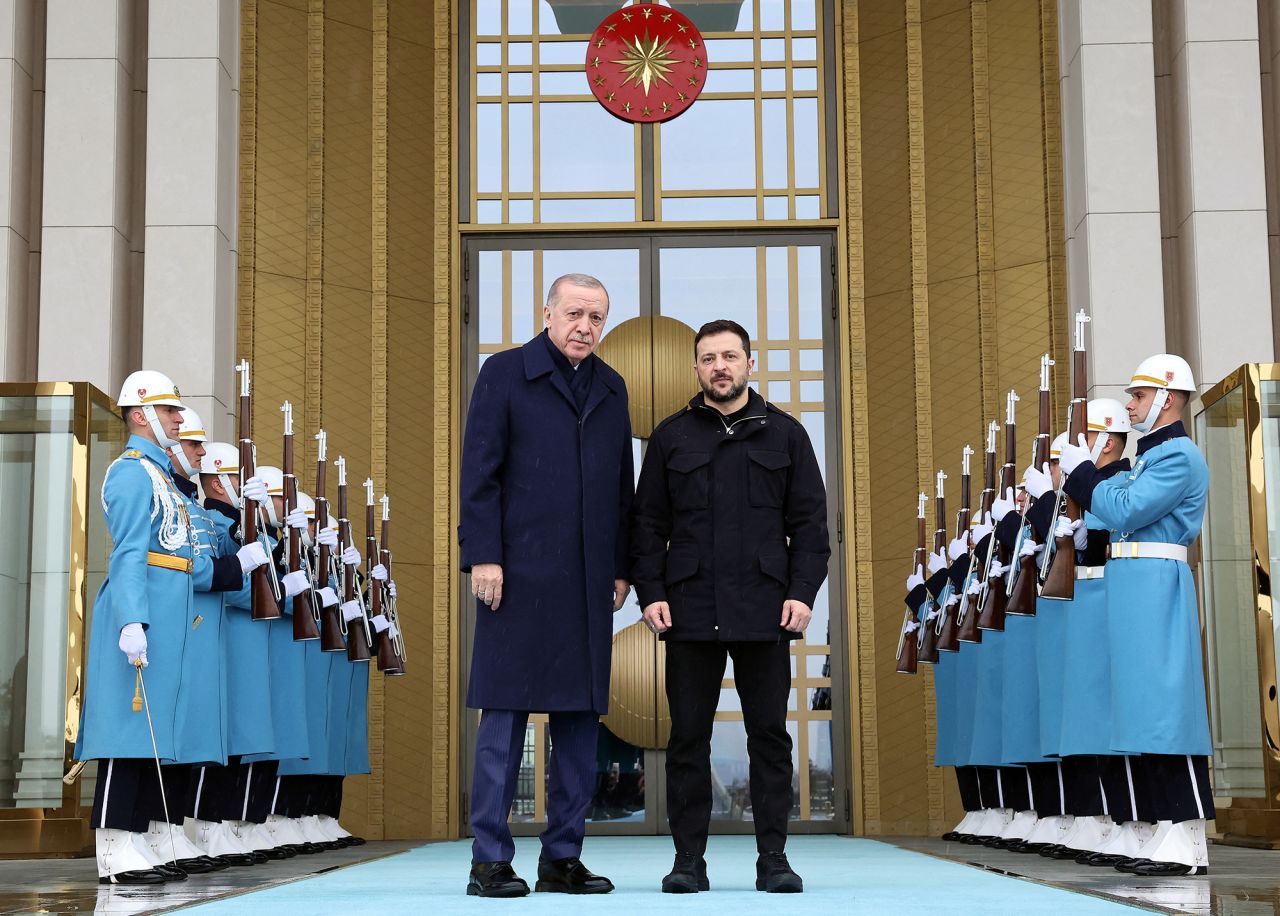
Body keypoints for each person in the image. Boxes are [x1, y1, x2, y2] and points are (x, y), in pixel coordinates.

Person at [630, 318, 830, 894]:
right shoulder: (671, 437)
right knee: (687, 737)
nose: (720, 366)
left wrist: (801, 592)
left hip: (765, 609)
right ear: (695, 368)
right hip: (689, 609)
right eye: (709, 358)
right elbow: (648, 526)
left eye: (730, 356)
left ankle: (774, 860)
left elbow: (810, 526)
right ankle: (688, 862)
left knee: (768, 736)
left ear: (749, 363)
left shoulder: (786, 435)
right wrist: (653, 594)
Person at [459, 273, 634, 897]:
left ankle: (563, 856)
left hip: (587, 581)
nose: (585, 326)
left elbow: (622, 491)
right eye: (575, 313)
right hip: (515, 575)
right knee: (503, 721)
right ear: (548, 313)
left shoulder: (613, 388)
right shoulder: (504, 373)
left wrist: (621, 567)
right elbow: (479, 473)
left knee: (580, 725)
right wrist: (483, 556)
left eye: (596, 317)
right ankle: (489, 860)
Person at [1059, 354, 1213, 877]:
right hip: (1131, 584)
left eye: (1139, 396)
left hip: (1155, 581)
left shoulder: (1178, 457)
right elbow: (1113, 506)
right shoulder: (1151, 459)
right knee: (1136, 712)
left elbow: (1124, 509)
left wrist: (1080, 472)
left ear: (1167, 398)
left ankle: (1187, 835)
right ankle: (1153, 826)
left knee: (1165, 710)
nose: (1131, 405)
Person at [77, 370, 194, 885]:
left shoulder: (161, 473)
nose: (177, 418)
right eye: (170, 411)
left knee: (152, 736)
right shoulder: (131, 472)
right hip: (142, 611)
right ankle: (113, 846)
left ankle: (141, 838)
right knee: (127, 734)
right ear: (142, 414)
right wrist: (131, 619)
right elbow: (127, 552)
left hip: (167, 615)